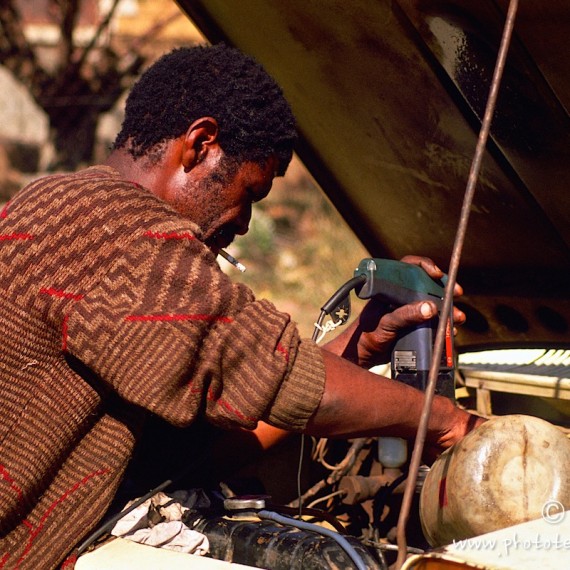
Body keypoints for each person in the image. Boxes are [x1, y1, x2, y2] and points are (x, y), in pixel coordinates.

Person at [0, 44, 482, 568]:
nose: (246, 222)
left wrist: (357, 346)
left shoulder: (65, 202)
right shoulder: (119, 228)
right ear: (201, 144)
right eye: (248, 191)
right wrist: (444, 421)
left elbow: (211, 432)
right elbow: (273, 371)